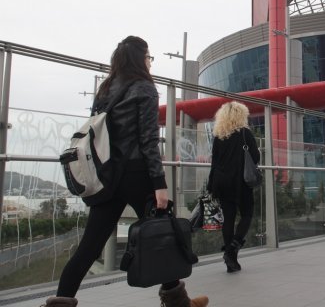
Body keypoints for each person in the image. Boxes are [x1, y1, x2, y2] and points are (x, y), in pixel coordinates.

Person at [44, 36, 208, 307]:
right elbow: (148, 141)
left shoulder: (105, 89)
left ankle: (59, 304)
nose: (150, 62)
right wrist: (159, 183)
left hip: (107, 175)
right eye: (148, 57)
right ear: (139, 58)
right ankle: (179, 303)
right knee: (163, 233)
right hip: (136, 174)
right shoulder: (145, 87)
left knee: (90, 246)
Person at [208, 101, 261, 273]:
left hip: (221, 182)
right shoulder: (245, 133)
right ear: (241, 115)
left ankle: (231, 262)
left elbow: (214, 162)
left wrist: (211, 185)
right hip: (241, 181)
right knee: (247, 214)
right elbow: (255, 157)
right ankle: (231, 250)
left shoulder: (218, 136)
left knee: (228, 218)